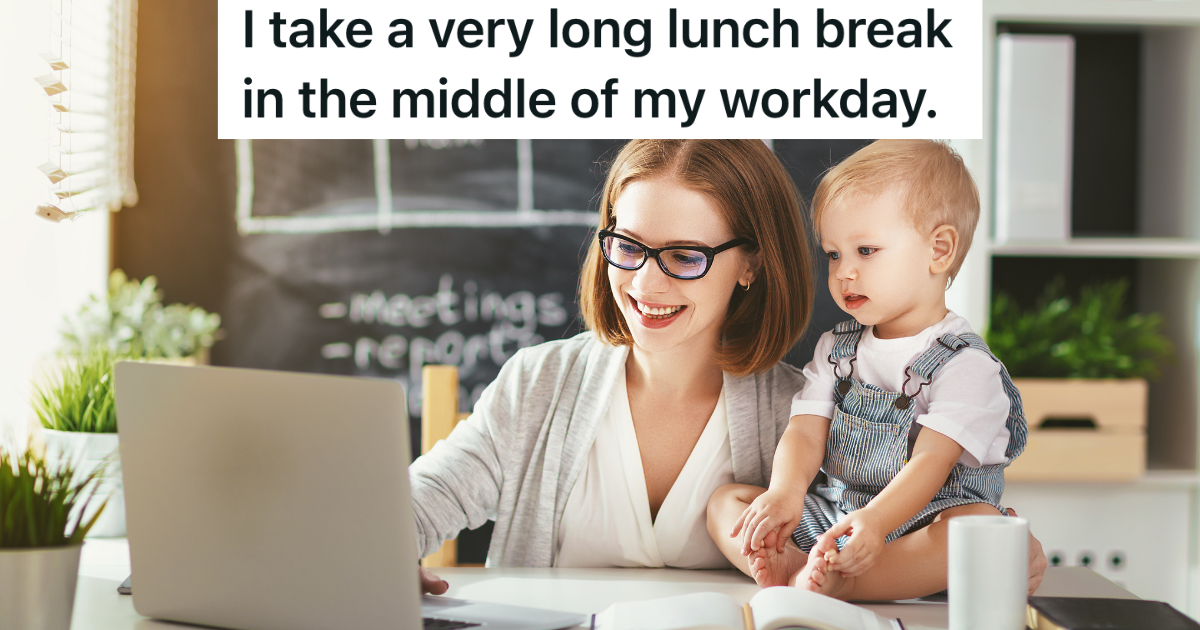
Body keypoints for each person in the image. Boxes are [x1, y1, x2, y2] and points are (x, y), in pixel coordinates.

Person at [414, 139, 1046, 595]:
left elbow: (896, 527)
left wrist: (1009, 551)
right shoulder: (540, 383)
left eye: (685, 255)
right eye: (628, 246)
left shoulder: (802, 412)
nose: (643, 281)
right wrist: (378, 551)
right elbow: (425, 498)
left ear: (750, 265)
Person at [707, 140, 1032, 601]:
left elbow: (930, 464)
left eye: (866, 250)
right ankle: (801, 565)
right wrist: (785, 493)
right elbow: (804, 431)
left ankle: (846, 582)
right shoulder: (837, 349)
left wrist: (875, 524)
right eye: (834, 254)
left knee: (978, 524)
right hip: (838, 515)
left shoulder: (965, 365)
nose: (844, 273)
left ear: (938, 250)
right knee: (727, 503)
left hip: (917, 526)